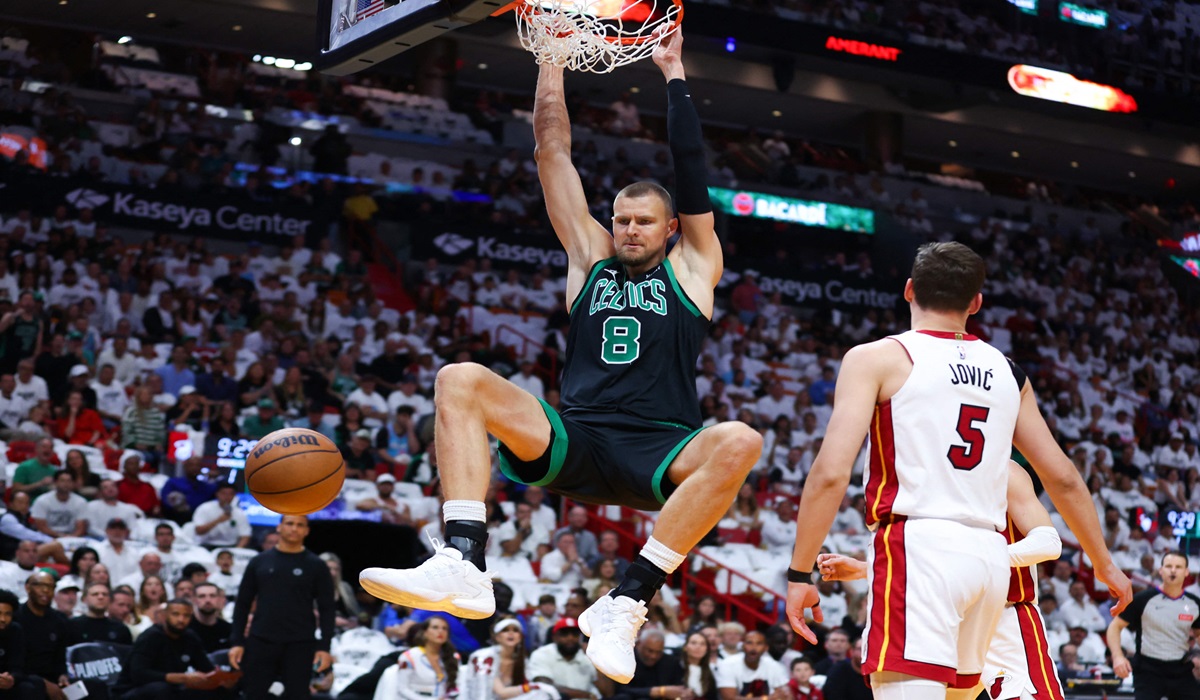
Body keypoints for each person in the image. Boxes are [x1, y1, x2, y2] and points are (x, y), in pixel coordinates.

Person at [360, 29, 762, 684]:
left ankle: (629, 597)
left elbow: (691, 169)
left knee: (741, 440)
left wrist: (673, 73)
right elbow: (553, 152)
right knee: (460, 378)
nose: (629, 229)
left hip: (655, 448)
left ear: (670, 229)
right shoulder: (589, 259)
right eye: (621, 218)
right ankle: (464, 558)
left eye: (643, 220)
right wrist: (550, 64)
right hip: (573, 437)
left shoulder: (693, 268)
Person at [785, 242, 1131, 700]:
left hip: (919, 549)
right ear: (976, 303)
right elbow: (1063, 477)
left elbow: (830, 474)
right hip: (989, 559)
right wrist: (1104, 562)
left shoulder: (876, 358)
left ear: (909, 290)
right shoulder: (1008, 370)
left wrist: (798, 574)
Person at [819, 462, 1068, 700]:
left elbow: (1048, 543)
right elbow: (933, 557)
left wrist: (984, 559)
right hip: (944, 609)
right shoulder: (922, 476)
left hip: (1005, 610)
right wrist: (867, 568)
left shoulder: (1006, 471)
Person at [229, 515, 335, 699]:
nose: (294, 528)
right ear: (279, 527)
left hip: (300, 643)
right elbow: (242, 604)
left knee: (298, 695)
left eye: (300, 525)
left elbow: (327, 608)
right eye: (290, 523)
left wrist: (324, 647)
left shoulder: (316, 565)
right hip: (261, 640)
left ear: (307, 530)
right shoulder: (259, 561)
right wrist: (237, 641)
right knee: (253, 694)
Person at [1106, 551, 1200, 700]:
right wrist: (1118, 657)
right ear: (1161, 570)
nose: (1173, 570)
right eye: (1169, 566)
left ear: (1187, 572)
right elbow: (1115, 627)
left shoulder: (1194, 603)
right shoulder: (1143, 599)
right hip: (1148, 670)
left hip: (1180, 669)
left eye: (1178, 567)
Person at [114, 598, 232, 698]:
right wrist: (181, 678)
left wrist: (221, 680)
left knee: (217, 689)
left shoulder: (190, 637)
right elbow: (138, 674)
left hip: (172, 687)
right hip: (133, 690)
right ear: (164, 616)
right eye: (176, 614)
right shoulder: (150, 637)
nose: (181, 620)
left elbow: (206, 668)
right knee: (162, 688)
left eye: (186, 615)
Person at [461, 617, 554, 700]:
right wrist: (533, 687)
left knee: (541, 695)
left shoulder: (522, 660)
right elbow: (500, 693)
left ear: (520, 637)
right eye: (505, 630)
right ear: (497, 637)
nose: (511, 633)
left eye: (515, 630)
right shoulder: (484, 657)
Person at [16, 571, 70, 700]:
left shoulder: (60, 620)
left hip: (53, 678)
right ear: (27, 588)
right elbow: (14, 663)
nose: (45, 590)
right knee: (30, 690)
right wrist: (42, 683)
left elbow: (60, 657)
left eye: (50, 586)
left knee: (92, 686)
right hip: (24, 678)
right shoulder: (15, 618)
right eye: (40, 585)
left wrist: (62, 676)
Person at [378, 616, 460, 700]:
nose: (440, 631)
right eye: (435, 627)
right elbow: (402, 689)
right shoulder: (410, 656)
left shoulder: (452, 657)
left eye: (444, 628)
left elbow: (455, 688)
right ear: (425, 632)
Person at [528, 619, 601, 700]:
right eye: (564, 634)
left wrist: (596, 657)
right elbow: (543, 685)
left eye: (575, 634)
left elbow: (608, 693)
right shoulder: (541, 654)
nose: (570, 638)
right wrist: (585, 695)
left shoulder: (587, 656)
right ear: (555, 637)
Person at [715, 630, 788, 700]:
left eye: (759, 643)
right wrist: (766, 699)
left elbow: (786, 695)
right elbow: (729, 698)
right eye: (749, 643)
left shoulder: (774, 665)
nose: (754, 647)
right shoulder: (727, 664)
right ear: (743, 646)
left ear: (766, 648)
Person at [191, 483, 251, 548]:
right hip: (206, 545)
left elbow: (245, 535)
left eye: (231, 494)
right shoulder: (204, 508)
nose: (227, 497)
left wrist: (237, 550)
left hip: (230, 547)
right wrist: (218, 520)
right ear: (217, 494)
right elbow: (199, 531)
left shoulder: (239, 513)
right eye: (224, 493)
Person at [187, 582, 232, 653]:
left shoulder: (229, 630)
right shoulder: (185, 629)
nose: (208, 600)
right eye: (202, 596)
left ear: (219, 599)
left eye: (212, 596)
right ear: (194, 600)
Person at [680, 631, 718, 700]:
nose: (698, 647)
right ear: (685, 647)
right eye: (693, 643)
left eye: (702, 644)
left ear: (706, 650)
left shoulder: (709, 673)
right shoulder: (675, 667)